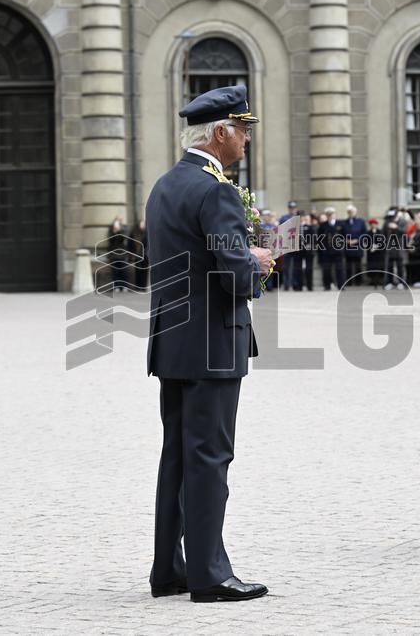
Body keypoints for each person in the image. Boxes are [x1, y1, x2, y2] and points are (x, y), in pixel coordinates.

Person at [144, 84, 271, 602]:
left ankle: (170, 569)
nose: (246, 139)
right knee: (211, 458)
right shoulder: (216, 190)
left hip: (173, 340)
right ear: (219, 132)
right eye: (241, 129)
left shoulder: (165, 185)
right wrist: (258, 262)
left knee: (177, 456)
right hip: (213, 342)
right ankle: (210, 575)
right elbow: (234, 275)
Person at [342, 204, 366, 284]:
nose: (351, 213)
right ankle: (349, 281)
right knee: (348, 265)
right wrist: (346, 241)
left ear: (355, 212)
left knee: (358, 265)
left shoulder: (361, 222)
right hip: (348, 247)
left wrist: (357, 240)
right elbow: (341, 234)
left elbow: (364, 234)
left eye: (352, 212)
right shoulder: (344, 223)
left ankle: (358, 281)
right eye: (349, 212)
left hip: (357, 246)